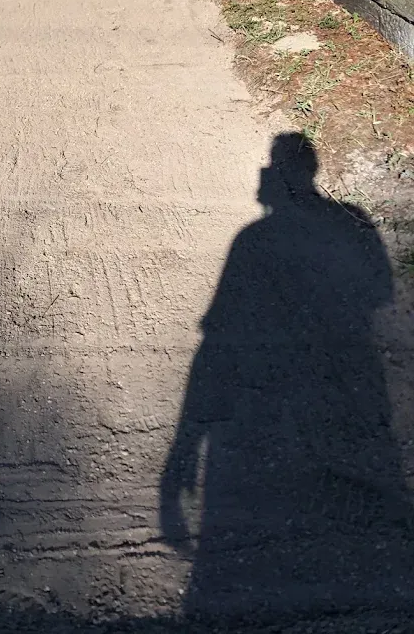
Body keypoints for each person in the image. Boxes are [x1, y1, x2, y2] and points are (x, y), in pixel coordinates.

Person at [160, 132, 414, 625]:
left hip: (271, 400)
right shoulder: (353, 223)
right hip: (350, 382)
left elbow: (218, 336)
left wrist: (185, 446)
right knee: (354, 500)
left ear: (279, 175)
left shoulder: (253, 241)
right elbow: (382, 291)